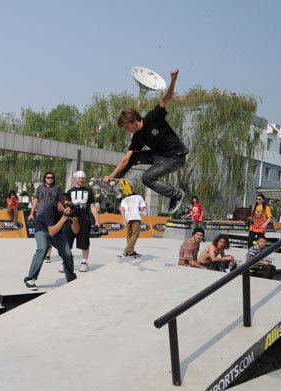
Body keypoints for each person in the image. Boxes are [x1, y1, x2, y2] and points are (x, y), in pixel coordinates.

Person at [104, 68, 188, 214]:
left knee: (147, 178)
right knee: (132, 157)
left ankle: (175, 194)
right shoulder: (138, 137)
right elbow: (126, 159)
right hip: (160, 157)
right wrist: (112, 175)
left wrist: (173, 80)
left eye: (126, 127)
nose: (126, 130)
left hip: (176, 156)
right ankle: (113, 182)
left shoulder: (153, 117)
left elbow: (165, 99)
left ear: (132, 121)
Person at [24, 193, 79, 290]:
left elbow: (76, 231)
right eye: (66, 205)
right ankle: (30, 278)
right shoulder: (50, 209)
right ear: (59, 204)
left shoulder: (68, 211)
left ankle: (71, 278)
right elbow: (51, 232)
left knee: (68, 254)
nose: (68, 208)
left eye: (69, 205)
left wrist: (75, 218)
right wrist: (64, 218)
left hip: (57, 230)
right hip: (42, 228)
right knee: (43, 248)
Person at [62, 171, 100, 271]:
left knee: (84, 242)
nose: (81, 180)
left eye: (83, 178)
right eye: (79, 178)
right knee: (66, 241)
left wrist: (97, 220)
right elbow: (65, 206)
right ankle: (65, 262)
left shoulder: (89, 191)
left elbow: (92, 206)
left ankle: (84, 262)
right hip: (70, 220)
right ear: (76, 179)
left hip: (85, 220)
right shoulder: (69, 192)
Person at [29, 171, 62, 263]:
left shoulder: (57, 188)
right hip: (40, 214)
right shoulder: (39, 187)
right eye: (48, 177)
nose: (50, 179)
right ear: (44, 178)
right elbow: (35, 200)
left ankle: (48, 255)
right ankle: (42, 251)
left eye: (51, 177)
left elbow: (60, 202)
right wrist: (31, 213)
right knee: (41, 234)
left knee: (50, 234)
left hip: (52, 215)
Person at [119, 181, 147, 257]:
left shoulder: (124, 199)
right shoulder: (139, 197)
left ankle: (130, 252)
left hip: (128, 218)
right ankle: (127, 249)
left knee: (129, 234)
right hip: (135, 217)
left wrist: (124, 219)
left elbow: (121, 209)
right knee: (136, 233)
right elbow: (142, 208)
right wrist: (145, 206)